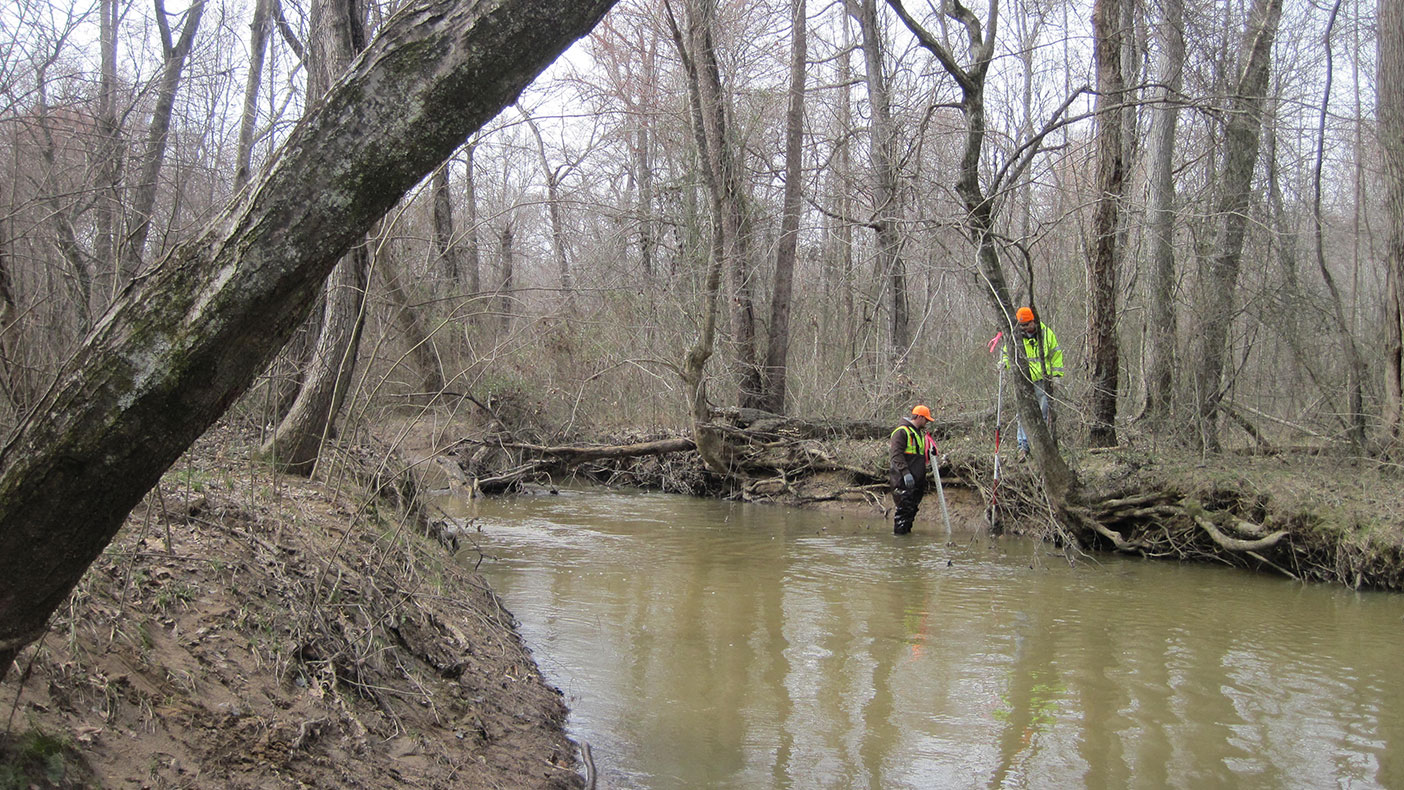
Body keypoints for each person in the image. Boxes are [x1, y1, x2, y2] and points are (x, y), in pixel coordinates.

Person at [1000, 306, 1064, 461]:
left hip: (1042, 381)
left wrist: (1056, 376)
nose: (1025, 328)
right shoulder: (1014, 337)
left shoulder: (1046, 334)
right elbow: (1007, 354)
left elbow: (1056, 355)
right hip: (1023, 381)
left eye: (1027, 324)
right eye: (1021, 325)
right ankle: (1023, 447)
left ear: (1034, 321)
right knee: (1023, 414)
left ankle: (1040, 447)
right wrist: (1003, 364)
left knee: (1041, 414)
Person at [889, 404, 934, 535]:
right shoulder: (902, 432)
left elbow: (919, 456)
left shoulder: (918, 433)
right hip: (903, 480)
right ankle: (900, 543)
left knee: (911, 512)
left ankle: (906, 537)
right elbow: (896, 455)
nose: (926, 423)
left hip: (916, 481)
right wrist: (905, 473)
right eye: (926, 420)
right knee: (903, 513)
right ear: (919, 417)